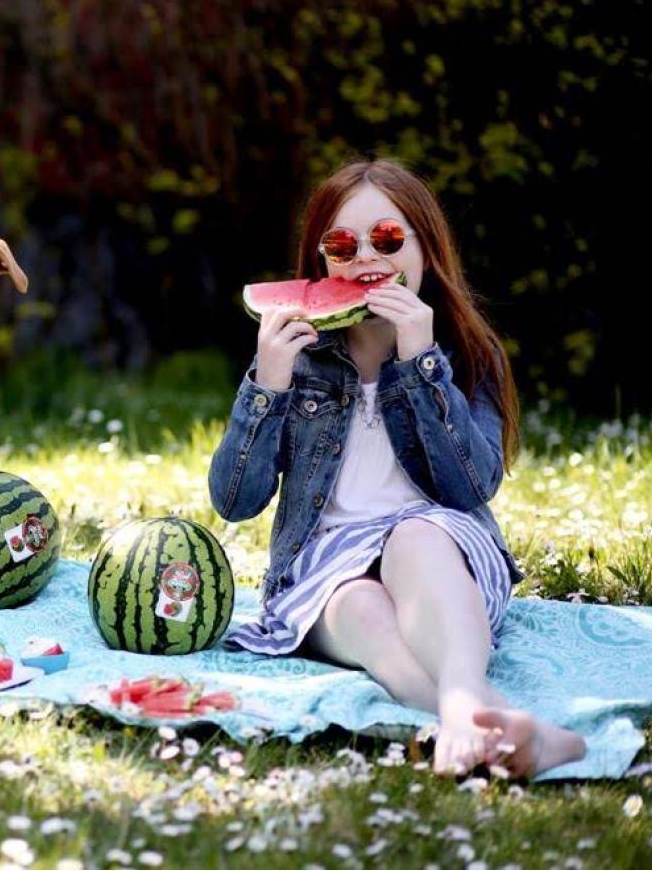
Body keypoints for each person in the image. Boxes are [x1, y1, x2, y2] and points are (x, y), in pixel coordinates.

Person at [209, 159, 585, 777]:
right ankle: (506, 729)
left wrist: (420, 366)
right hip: (324, 569)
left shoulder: (466, 352)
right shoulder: (295, 357)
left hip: (444, 551)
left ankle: (462, 704)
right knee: (360, 605)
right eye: (341, 244)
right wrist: (267, 388)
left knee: (414, 536)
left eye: (386, 239)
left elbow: (470, 487)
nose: (364, 258)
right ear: (319, 258)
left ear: (425, 247)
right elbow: (234, 501)